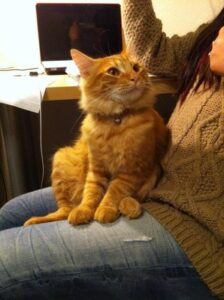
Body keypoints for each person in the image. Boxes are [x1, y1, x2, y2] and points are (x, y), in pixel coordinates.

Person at [0, 1, 223, 299]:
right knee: (11, 214)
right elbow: (151, 52)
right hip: (159, 187)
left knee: (6, 265)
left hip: (197, 226)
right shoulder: (208, 37)